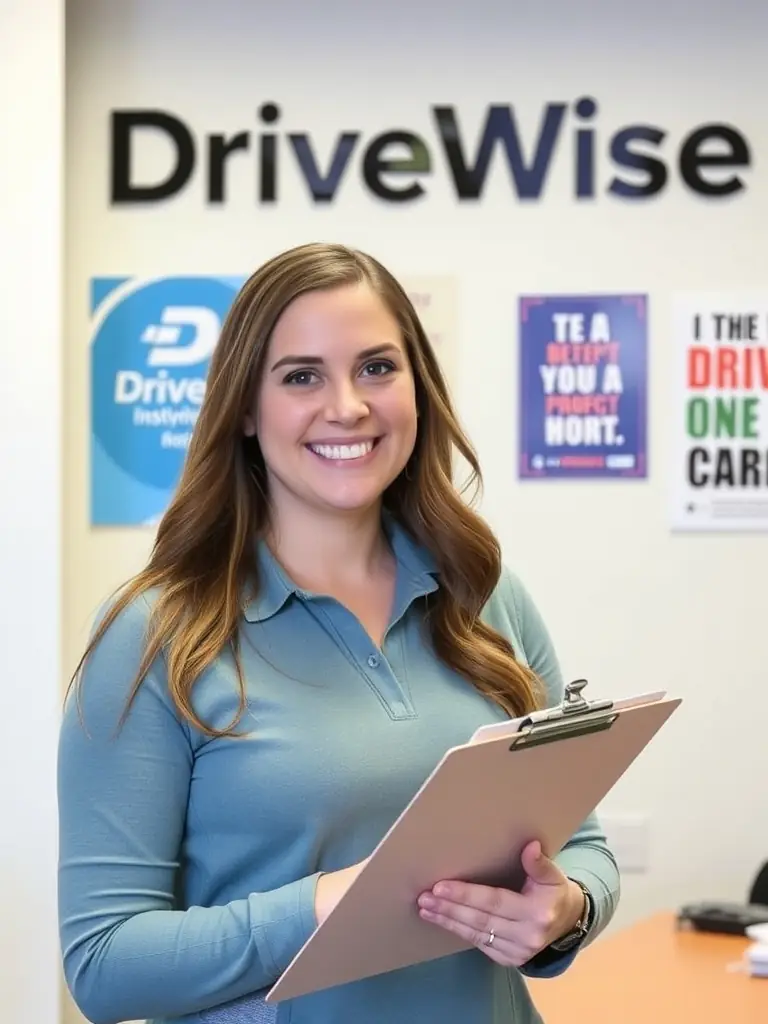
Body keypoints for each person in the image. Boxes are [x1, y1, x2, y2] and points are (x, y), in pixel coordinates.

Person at [57, 242, 620, 1024]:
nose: (349, 406)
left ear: (417, 387)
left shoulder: (486, 596)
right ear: (246, 410)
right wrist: (324, 903)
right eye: (301, 376)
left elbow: (583, 844)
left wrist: (568, 910)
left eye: (377, 368)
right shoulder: (155, 634)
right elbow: (104, 963)